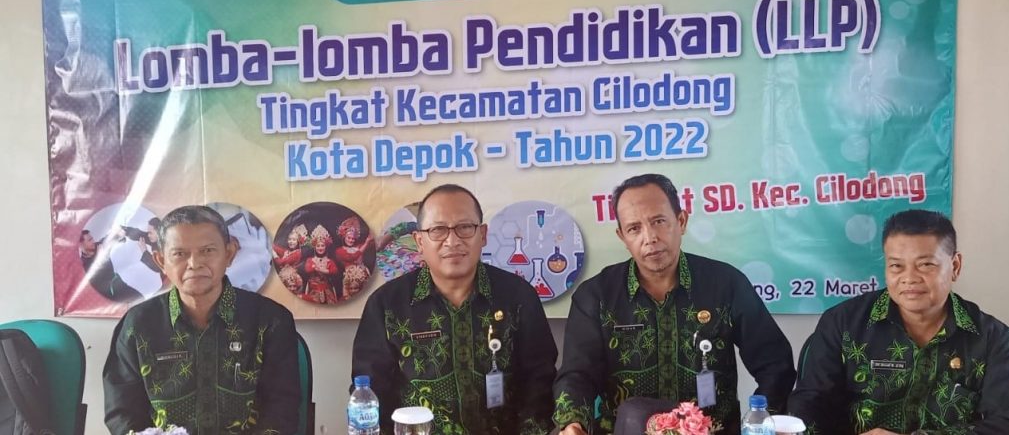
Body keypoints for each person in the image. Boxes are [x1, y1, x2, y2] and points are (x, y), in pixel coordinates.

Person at [553, 173, 796, 435]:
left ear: (681, 221)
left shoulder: (726, 284)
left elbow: (775, 363)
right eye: (634, 228)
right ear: (622, 236)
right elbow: (577, 374)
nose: (650, 238)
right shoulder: (596, 296)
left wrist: (761, 422)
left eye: (658, 221)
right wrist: (572, 423)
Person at [788, 209, 1009, 434]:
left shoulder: (992, 338)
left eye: (925, 265)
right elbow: (807, 409)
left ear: (955, 266)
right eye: (896, 266)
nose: (909, 278)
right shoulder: (843, 324)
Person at [352, 184, 558, 435]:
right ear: (419, 241)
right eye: (438, 230)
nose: (452, 241)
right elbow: (369, 393)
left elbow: (540, 380)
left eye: (465, 227)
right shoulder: (387, 305)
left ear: (483, 235)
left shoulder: (518, 296)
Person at [103, 205, 301, 435]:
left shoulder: (270, 321)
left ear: (229, 254)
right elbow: (122, 414)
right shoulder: (138, 325)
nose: (194, 264)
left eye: (207, 251)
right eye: (179, 254)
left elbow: (282, 412)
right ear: (160, 261)